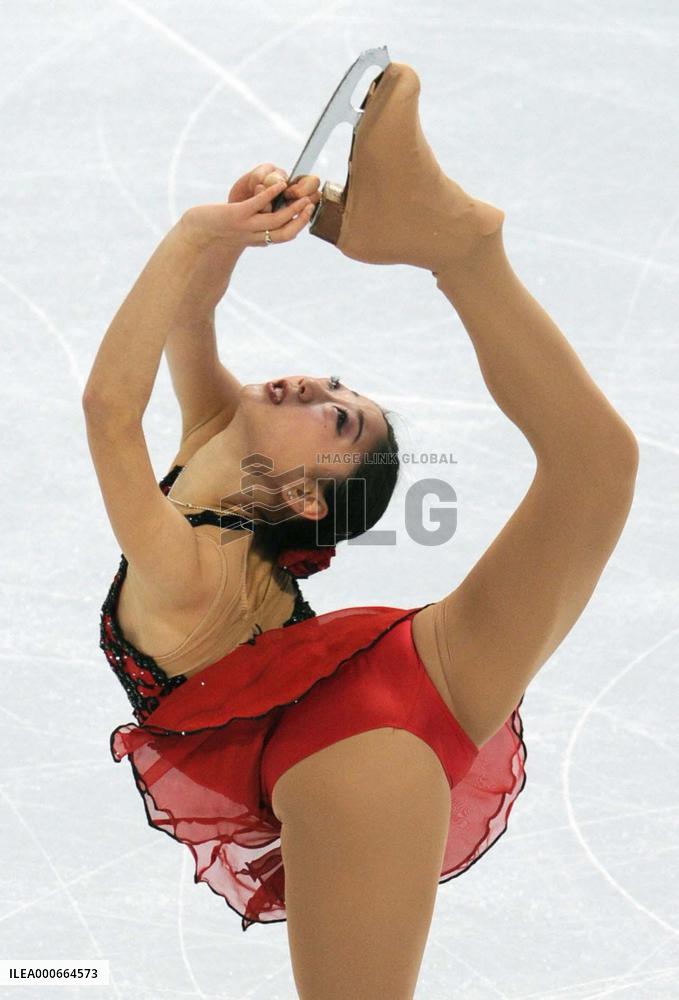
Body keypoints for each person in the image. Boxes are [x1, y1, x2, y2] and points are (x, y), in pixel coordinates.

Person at [84, 62, 638, 999]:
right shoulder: (213, 448)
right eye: (340, 388)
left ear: (302, 498)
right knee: (597, 467)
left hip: (347, 747)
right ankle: (459, 248)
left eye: (339, 420)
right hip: (381, 687)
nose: (321, 389)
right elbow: (192, 313)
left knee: (597, 468)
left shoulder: (188, 566)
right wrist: (238, 228)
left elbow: (107, 409)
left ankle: (459, 245)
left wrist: (194, 234)